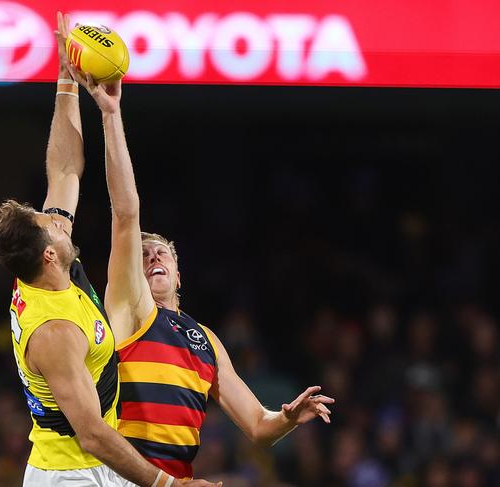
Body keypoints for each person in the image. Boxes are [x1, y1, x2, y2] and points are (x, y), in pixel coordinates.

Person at [69, 68, 336, 481]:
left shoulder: (206, 341)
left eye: (162, 253)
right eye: (143, 254)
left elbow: (259, 427)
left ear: (179, 277)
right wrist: (110, 114)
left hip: (179, 480)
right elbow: (125, 213)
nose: (152, 256)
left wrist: (288, 418)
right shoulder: (131, 308)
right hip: (120, 478)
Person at [0, 13, 218, 487]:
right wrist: (167, 484)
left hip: (95, 467)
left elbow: (65, 172)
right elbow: (92, 434)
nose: (59, 222)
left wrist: (65, 81)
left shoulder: (44, 269)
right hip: (71, 475)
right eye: (50, 227)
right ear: (49, 255)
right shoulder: (55, 332)